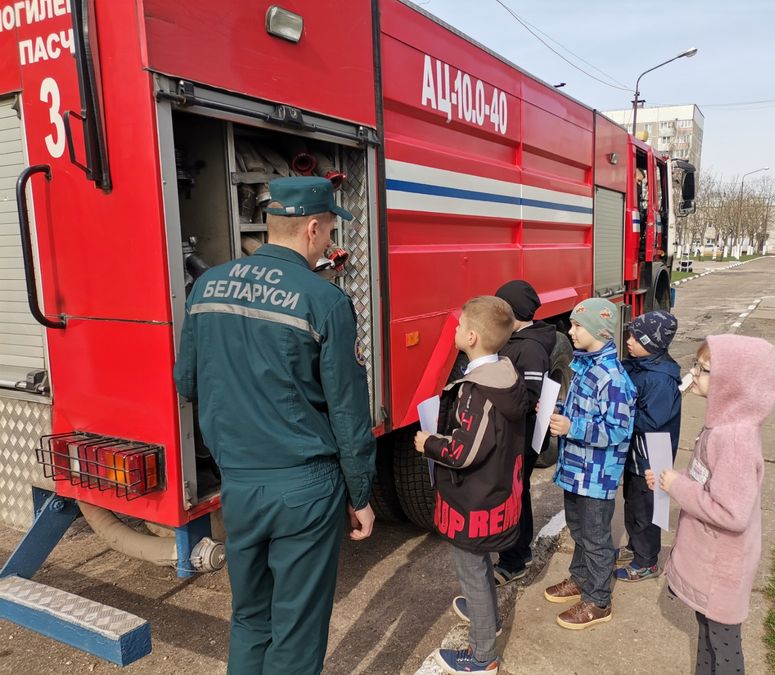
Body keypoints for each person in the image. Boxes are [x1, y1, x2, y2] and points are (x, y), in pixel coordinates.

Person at [173, 176, 376, 675]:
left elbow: (186, 380)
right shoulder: (325, 300)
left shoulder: (207, 286)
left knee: (249, 617)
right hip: (304, 487)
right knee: (297, 628)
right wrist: (361, 496)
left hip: (239, 484)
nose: (330, 240)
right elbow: (348, 414)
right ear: (312, 229)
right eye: (330, 230)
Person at [646, 335, 775, 675]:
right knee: (706, 631)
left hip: (722, 567)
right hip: (711, 560)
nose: (693, 373)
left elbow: (731, 512)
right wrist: (671, 478)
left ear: (732, 383)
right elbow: (705, 479)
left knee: (723, 644)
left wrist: (677, 486)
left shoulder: (733, 439)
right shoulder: (721, 426)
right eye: (696, 365)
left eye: (703, 369)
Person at [414, 296, 527, 675]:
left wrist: (428, 443)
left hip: (474, 502)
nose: (457, 329)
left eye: (460, 325)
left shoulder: (478, 391)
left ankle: (483, 656)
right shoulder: (506, 374)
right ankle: (487, 617)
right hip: (494, 493)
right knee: (480, 567)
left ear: (473, 337)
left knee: (474, 573)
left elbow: (463, 452)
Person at [544, 298, 636, 629]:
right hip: (576, 471)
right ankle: (580, 578)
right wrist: (558, 412)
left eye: (577, 326)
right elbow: (581, 410)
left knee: (596, 538)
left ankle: (598, 600)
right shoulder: (585, 366)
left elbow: (618, 429)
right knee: (579, 528)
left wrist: (572, 427)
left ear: (600, 331)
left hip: (596, 477)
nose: (570, 331)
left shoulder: (612, 377)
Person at [492, 280, 557, 586]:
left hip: (522, 435)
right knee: (516, 491)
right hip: (512, 432)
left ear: (512, 311)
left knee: (515, 494)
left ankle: (514, 560)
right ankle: (518, 552)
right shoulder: (515, 340)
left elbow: (528, 398)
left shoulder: (529, 349)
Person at [615, 311, 681, 582]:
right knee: (632, 502)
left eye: (635, 338)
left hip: (650, 458)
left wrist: (622, 413)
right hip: (636, 455)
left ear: (652, 344)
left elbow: (653, 421)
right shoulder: (638, 366)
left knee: (647, 509)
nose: (628, 341)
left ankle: (647, 560)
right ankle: (634, 546)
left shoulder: (660, 379)